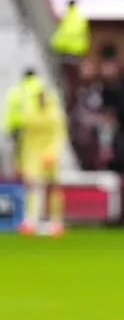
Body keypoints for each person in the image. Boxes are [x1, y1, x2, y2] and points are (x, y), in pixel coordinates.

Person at [16, 87, 68, 236]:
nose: (42, 99)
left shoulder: (55, 114)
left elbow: (60, 135)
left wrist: (53, 152)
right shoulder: (30, 114)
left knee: (54, 187)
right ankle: (31, 220)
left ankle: (56, 221)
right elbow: (25, 138)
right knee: (32, 186)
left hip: (51, 155)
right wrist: (20, 158)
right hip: (32, 154)